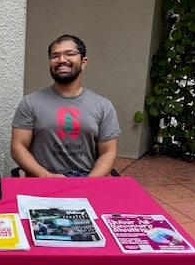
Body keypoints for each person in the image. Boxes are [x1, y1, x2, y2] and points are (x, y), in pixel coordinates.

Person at [11, 34, 121, 177]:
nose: (61, 60)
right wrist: (47, 177)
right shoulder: (30, 103)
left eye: (69, 54)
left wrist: (89, 182)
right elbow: (17, 147)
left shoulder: (103, 106)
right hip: (42, 179)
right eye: (55, 56)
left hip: (86, 179)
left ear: (84, 62)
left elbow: (108, 152)